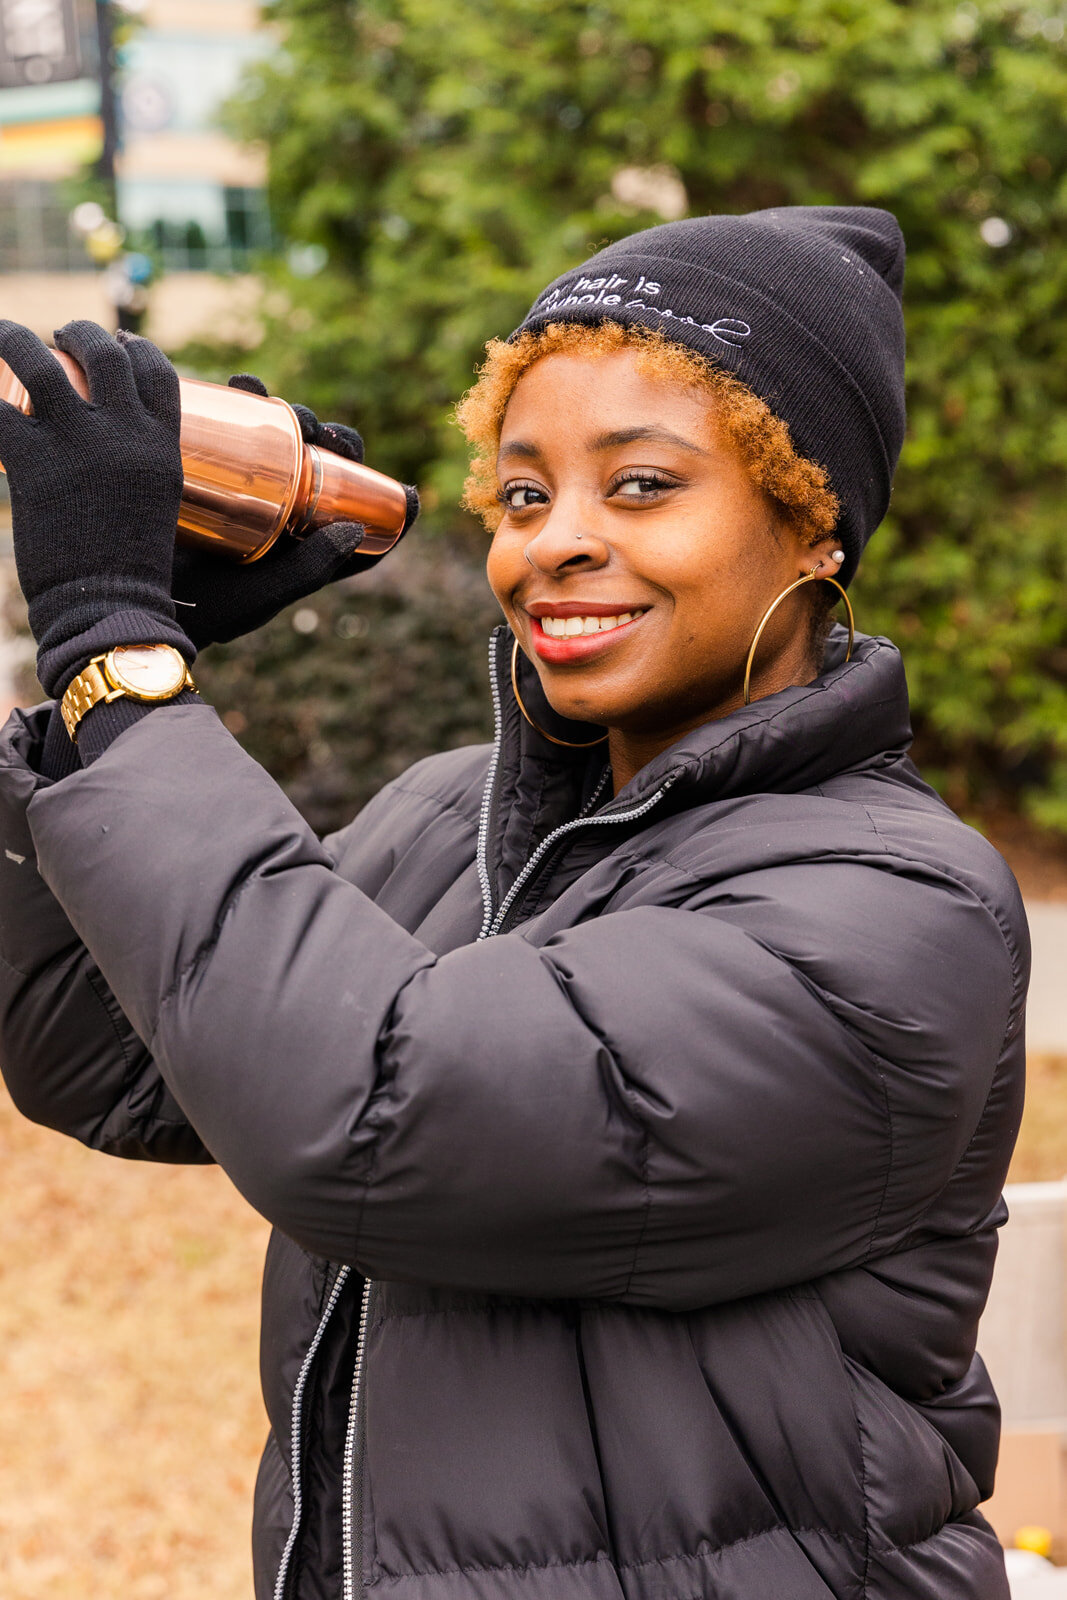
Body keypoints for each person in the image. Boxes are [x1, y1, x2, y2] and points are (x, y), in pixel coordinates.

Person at [0, 207, 1027, 1600]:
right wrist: (84, 712)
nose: (557, 545)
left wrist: (120, 660)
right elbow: (111, 1049)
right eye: (528, 495)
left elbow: (378, 1113)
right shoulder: (449, 812)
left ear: (815, 520)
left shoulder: (896, 907)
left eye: (644, 486)